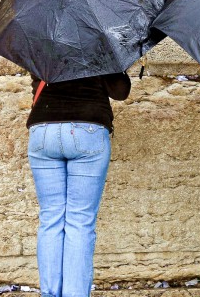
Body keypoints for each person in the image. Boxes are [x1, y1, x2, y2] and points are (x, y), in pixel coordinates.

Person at [26, 72, 131, 297]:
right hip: (87, 129)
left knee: (50, 219)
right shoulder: (100, 39)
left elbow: (36, 85)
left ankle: (50, 294)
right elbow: (120, 92)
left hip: (43, 129)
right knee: (80, 221)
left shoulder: (42, 38)